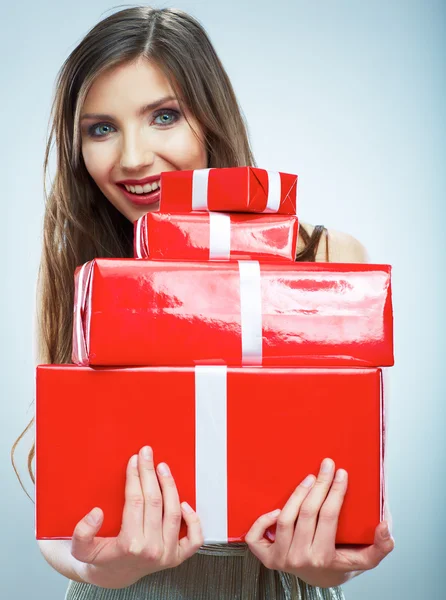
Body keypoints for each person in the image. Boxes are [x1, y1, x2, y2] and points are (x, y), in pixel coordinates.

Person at [11, 6, 395, 600]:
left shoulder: (326, 258)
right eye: (101, 128)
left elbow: (355, 496)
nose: (133, 158)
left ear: (210, 122)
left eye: (164, 116)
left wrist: (334, 564)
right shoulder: (78, 274)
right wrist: (106, 567)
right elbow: (62, 521)